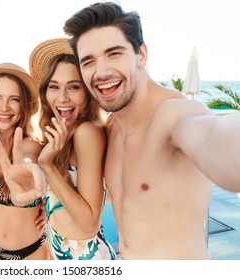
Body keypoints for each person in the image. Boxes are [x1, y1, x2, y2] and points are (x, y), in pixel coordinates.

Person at [62, 2, 240, 259]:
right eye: (88, 61)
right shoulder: (112, 129)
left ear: (141, 54)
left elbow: (216, 139)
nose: (101, 72)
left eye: (114, 54)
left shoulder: (175, 115)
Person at [28, 38, 116, 260]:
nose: (62, 98)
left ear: (88, 91)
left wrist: (46, 165)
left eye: (74, 87)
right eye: (54, 87)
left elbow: (89, 223)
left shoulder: (87, 132)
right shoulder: (65, 132)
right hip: (63, 250)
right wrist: (50, 206)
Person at [0, 63, 50, 260]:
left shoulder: (36, 148)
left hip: (33, 250)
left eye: (14, 99)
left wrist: (49, 208)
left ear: (24, 104)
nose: (4, 107)